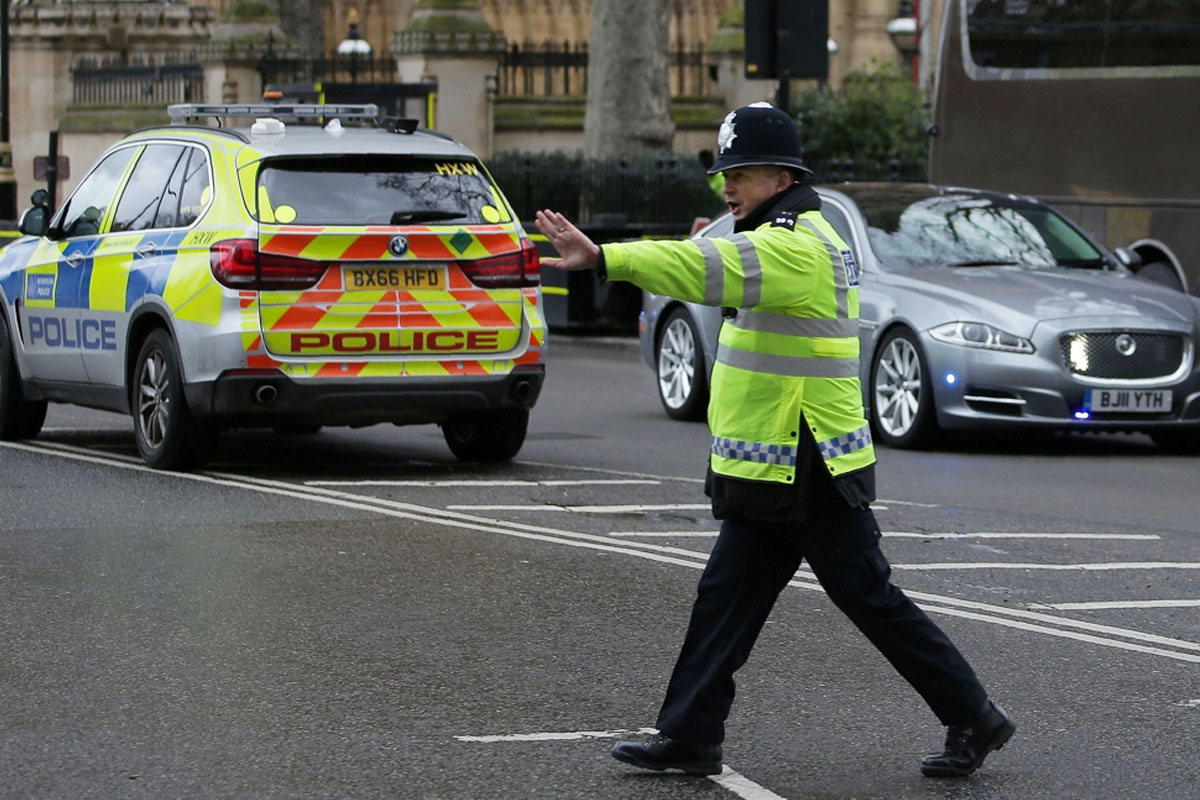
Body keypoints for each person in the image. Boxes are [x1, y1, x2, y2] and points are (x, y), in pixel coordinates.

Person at [534, 102, 1016, 779]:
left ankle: (975, 715)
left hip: (810, 458)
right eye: (725, 174)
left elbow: (703, 271)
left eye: (744, 173)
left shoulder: (797, 245)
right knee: (727, 597)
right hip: (776, 458)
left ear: (783, 177)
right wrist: (714, 234)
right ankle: (691, 734)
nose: (729, 186)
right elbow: (718, 258)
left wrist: (606, 255)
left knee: (867, 597)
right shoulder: (772, 230)